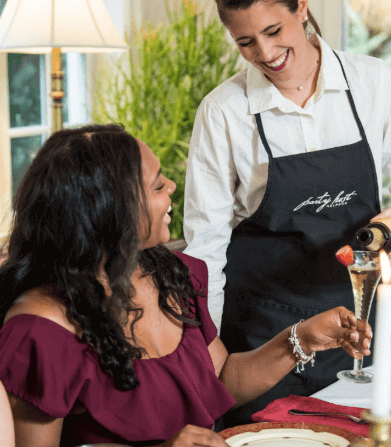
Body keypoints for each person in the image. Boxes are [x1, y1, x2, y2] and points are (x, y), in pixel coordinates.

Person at [0, 124, 371, 447]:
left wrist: (302, 337)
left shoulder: (171, 275)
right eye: (159, 184)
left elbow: (220, 380)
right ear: (111, 211)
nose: (173, 186)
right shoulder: (40, 332)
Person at [183, 0, 391, 428]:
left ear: (301, 7)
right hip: (263, 338)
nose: (264, 52)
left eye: (273, 30)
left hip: (355, 327)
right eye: (246, 41)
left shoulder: (370, 81)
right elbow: (205, 249)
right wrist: (207, 361)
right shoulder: (223, 111)